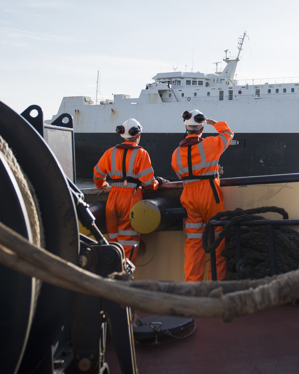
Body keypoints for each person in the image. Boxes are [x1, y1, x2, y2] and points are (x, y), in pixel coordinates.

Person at [171, 109, 234, 281]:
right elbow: (228, 134)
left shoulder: (176, 154)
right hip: (209, 194)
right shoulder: (211, 144)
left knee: (193, 241)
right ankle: (216, 285)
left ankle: (193, 287)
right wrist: (214, 123)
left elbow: (181, 173)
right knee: (217, 240)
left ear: (186, 128)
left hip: (188, 197)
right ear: (202, 128)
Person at [93, 118, 162, 261]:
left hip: (112, 199)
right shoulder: (141, 154)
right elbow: (148, 182)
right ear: (138, 135)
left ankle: (112, 270)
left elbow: (97, 175)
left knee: (112, 241)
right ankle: (125, 272)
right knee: (128, 242)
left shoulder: (110, 153)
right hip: (131, 199)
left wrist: (102, 186)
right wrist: (157, 184)